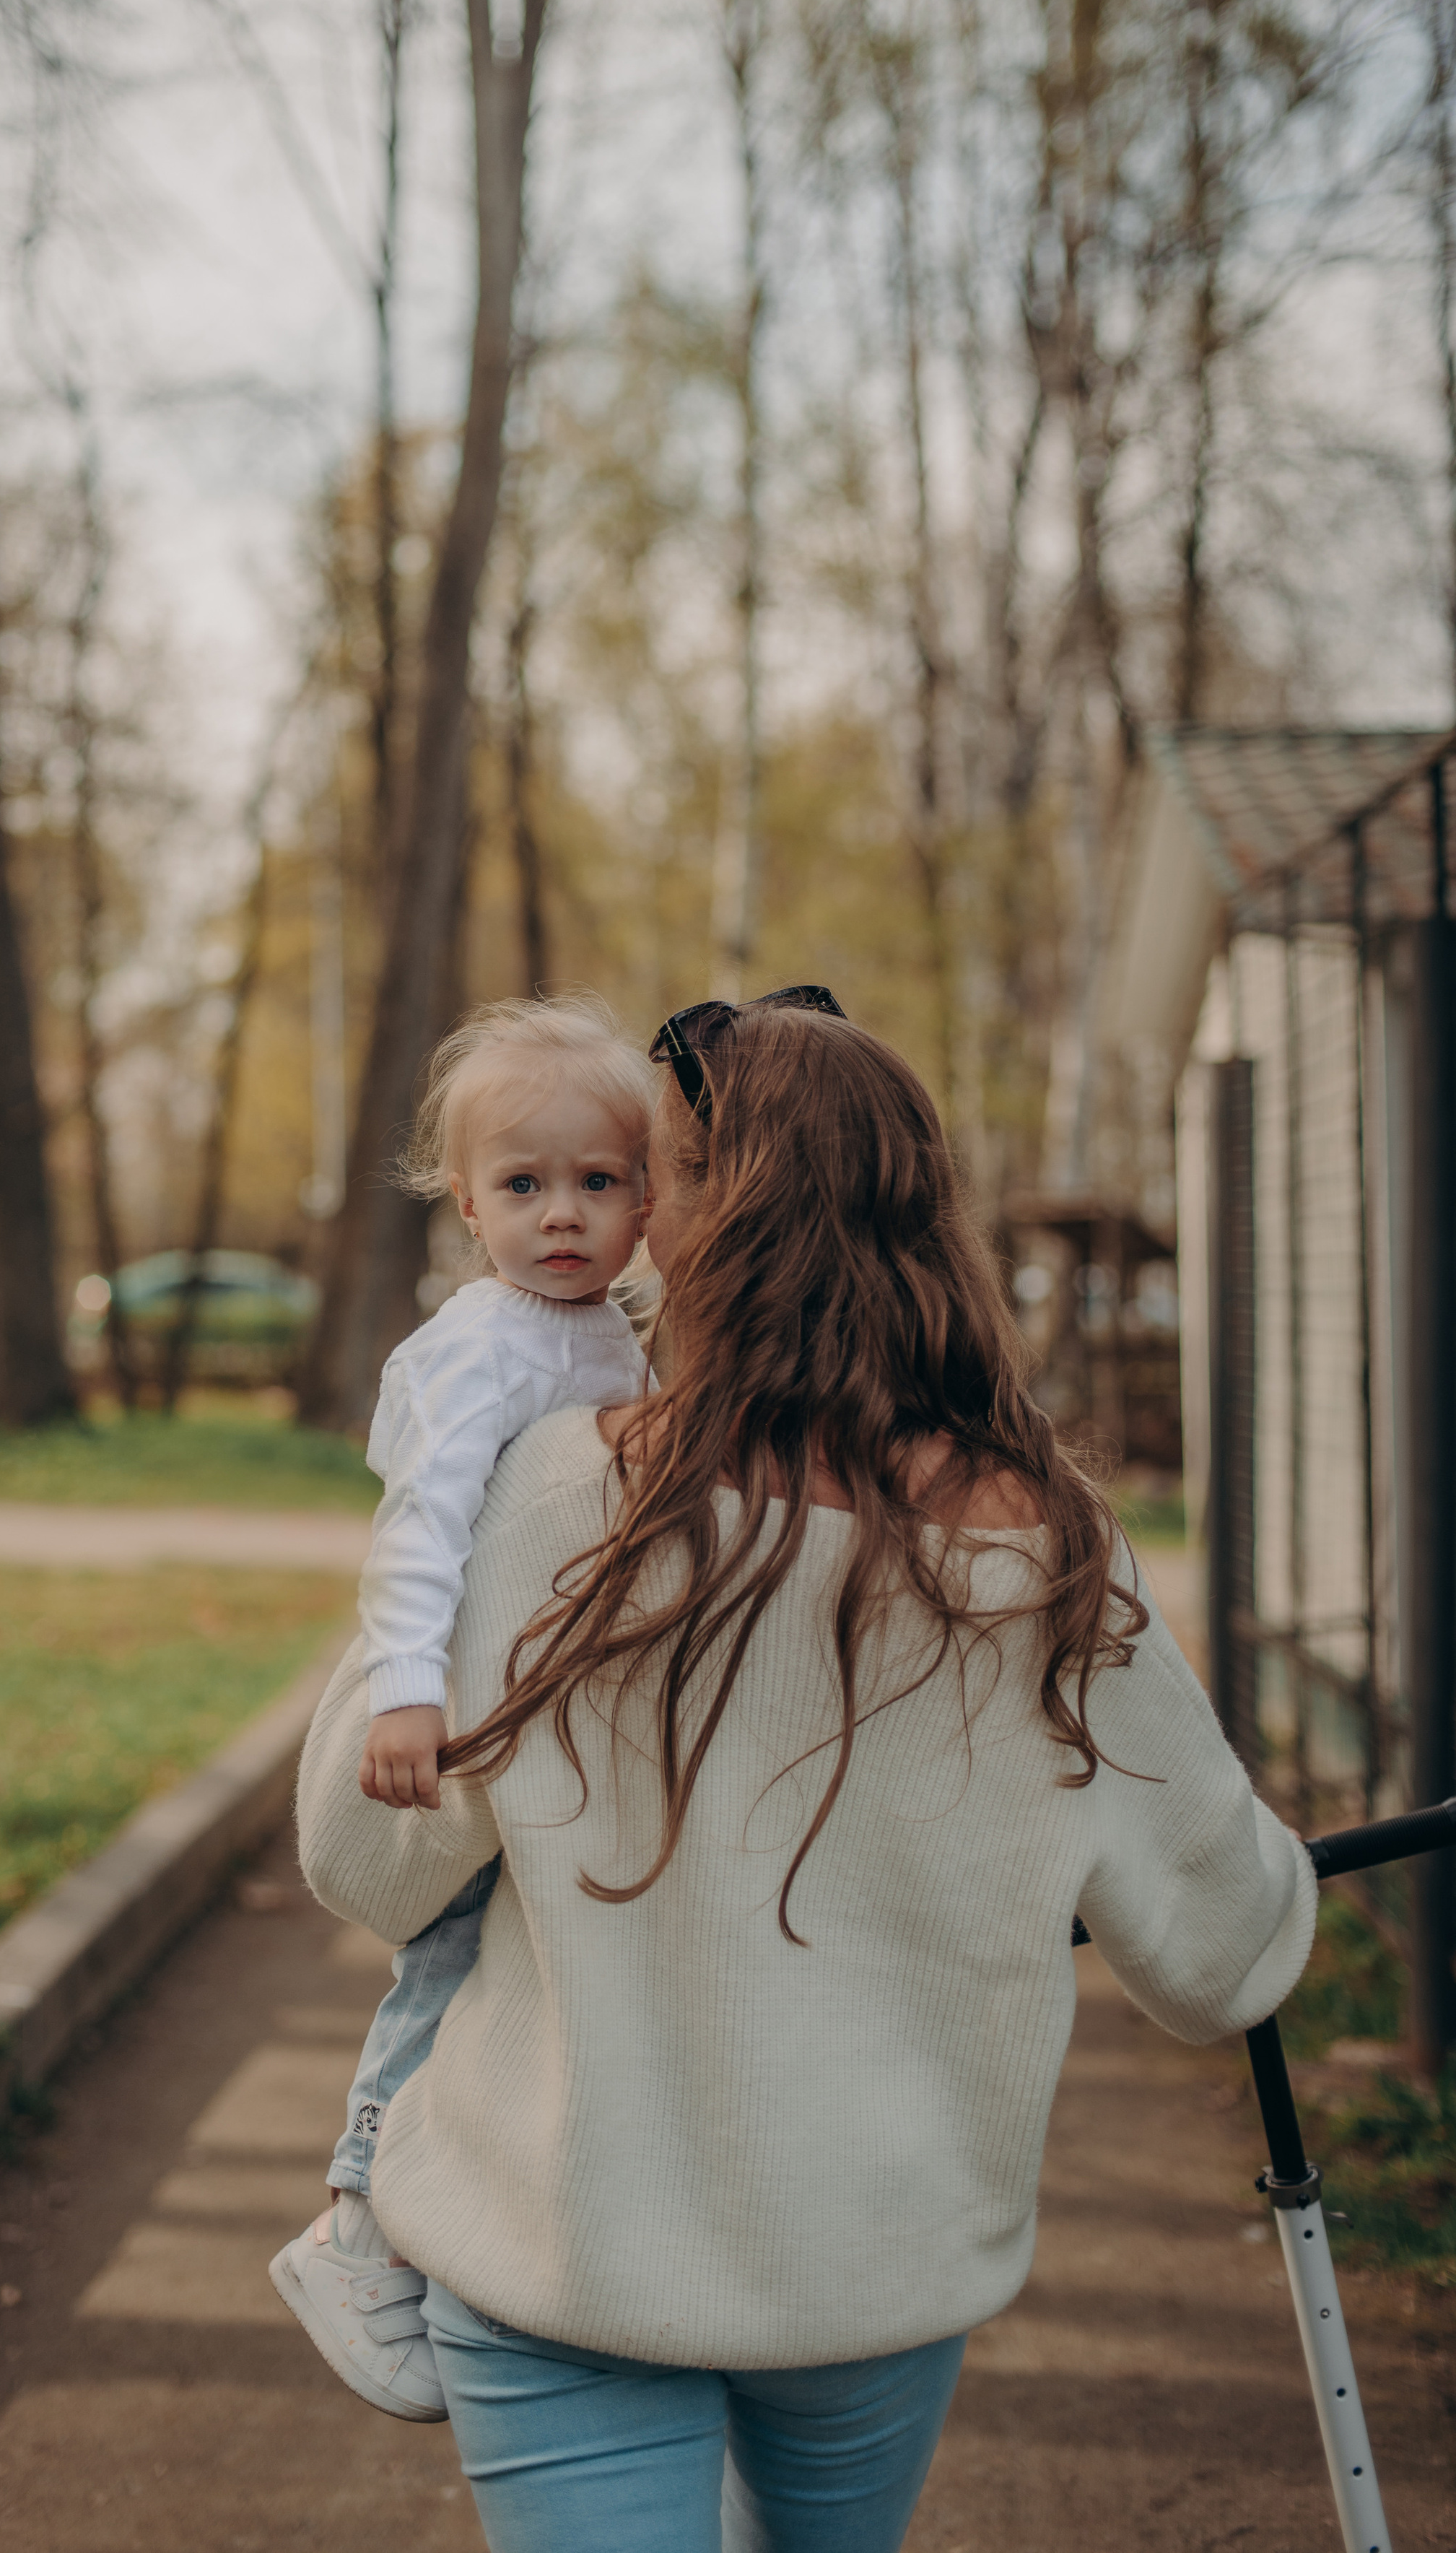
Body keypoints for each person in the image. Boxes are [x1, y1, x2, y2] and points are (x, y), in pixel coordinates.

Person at [294, 991, 1316, 2552]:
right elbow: (1222, 1955)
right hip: (872, 2267)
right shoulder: (1053, 1554)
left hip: (562, 2250)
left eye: (639, 1174)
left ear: (693, 1221)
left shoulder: (561, 1493)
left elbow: (362, 1858)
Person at [271, 991, 656, 2419]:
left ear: (647, 1198)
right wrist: (405, 1695)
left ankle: (471, 2219)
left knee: (518, 1973)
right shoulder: (481, 1343)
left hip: (547, 1723)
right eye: (524, 1184)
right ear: (465, 1200)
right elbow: (420, 1530)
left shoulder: (611, 1331)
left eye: (598, 1182)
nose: (562, 1215)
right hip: (454, 1712)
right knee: (441, 1956)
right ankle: (354, 2220)